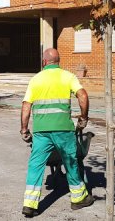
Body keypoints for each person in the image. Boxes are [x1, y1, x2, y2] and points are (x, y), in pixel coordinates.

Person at [20, 48, 94, 217]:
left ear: (44, 62)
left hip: (41, 132)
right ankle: (78, 198)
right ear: (58, 61)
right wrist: (83, 118)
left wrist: (24, 129)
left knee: (35, 165)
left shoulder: (35, 79)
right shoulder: (67, 76)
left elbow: (26, 106)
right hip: (64, 130)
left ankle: (30, 205)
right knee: (70, 162)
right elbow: (82, 95)